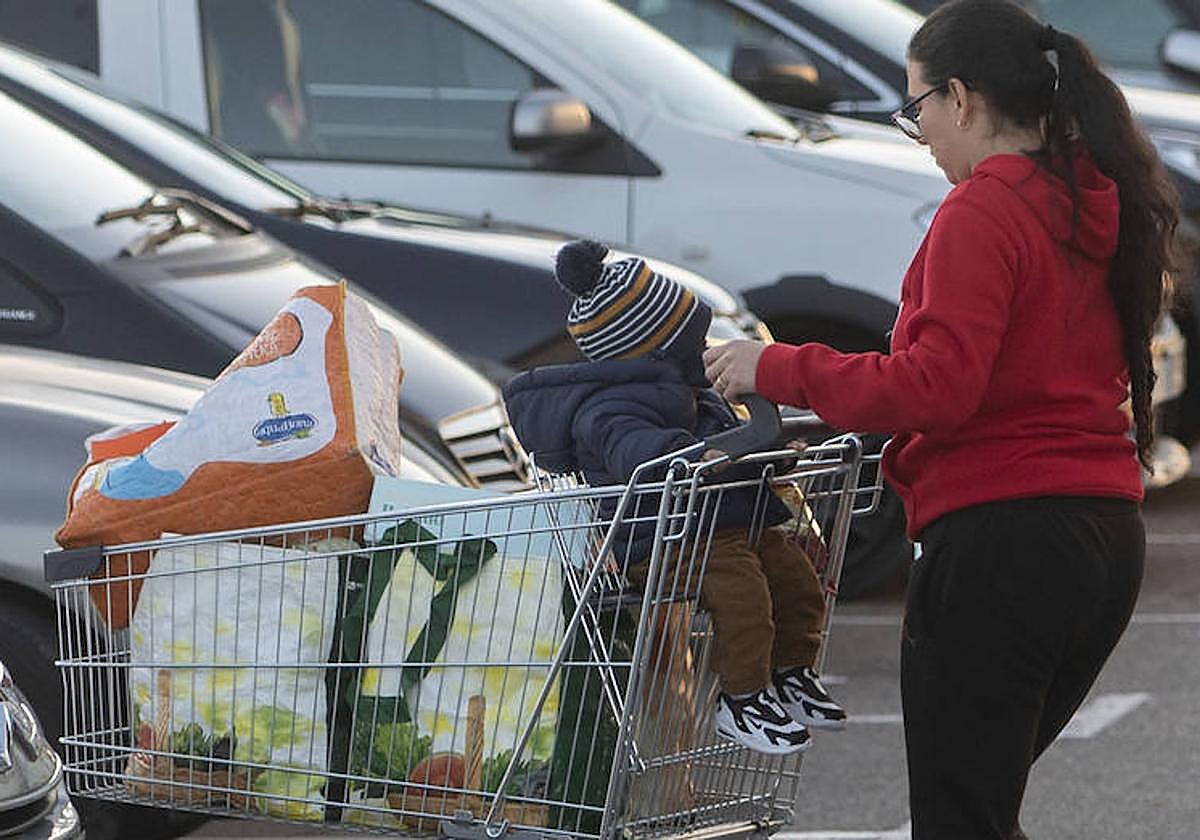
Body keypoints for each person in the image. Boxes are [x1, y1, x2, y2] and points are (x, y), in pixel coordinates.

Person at [703, 1, 1178, 835]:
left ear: (961, 99)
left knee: (961, 818)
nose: (916, 132)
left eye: (915, 107)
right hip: (1102, 538)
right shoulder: (1088, 197)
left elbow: (935, 387)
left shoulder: (983, 211)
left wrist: (775, 365)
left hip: (1003, 547)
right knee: (980, 810)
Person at [503, 239, 847, 755]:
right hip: (659, 542)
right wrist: (692, 456)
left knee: (794, 575)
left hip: (720, 527)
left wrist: (772, 452)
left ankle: (790, 671)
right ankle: (742, 699)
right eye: (694, 337)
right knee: (743, 593)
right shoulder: (608, 408)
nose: (705, 346)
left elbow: (736, 443)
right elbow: (639, 456)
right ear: (658, 349)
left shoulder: (695, 394)